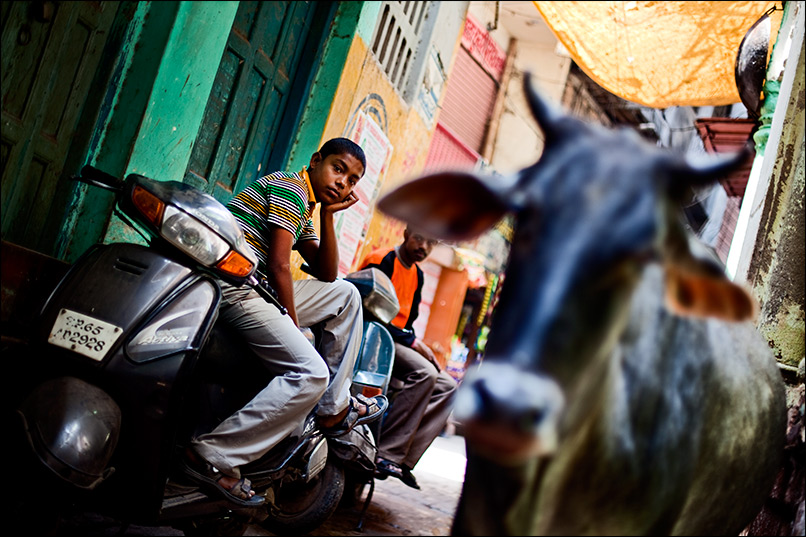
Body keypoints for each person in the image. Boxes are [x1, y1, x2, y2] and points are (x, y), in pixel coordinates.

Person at [182, 138, 388, 506]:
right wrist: (291, 325)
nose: (343, 183)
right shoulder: (291, 188)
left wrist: (327, 215)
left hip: (256, 286)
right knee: (310, 373)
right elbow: (278, 265)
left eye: (353, 180)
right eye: (338, 169)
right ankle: (212, 456)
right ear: (316, 160)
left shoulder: (308, 203)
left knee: (346, 294)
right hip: (236, 285)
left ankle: (332, 408)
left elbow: (327, 274)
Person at [358, 225, 458, 490]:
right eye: (419, 238)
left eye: (431, 242)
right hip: (375, 337)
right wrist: (414, 343)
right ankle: (387, 452)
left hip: (397, 342)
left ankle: (403, 459)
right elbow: (368, 309)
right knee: (425, 372)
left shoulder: (418, 275)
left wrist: (415, 342)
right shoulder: (383, 260)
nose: (424, 247)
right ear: (406, 234)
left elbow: (409, 323)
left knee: (448, 385)